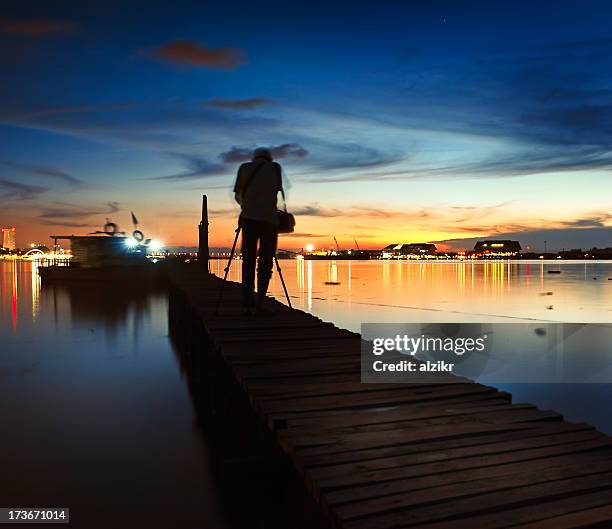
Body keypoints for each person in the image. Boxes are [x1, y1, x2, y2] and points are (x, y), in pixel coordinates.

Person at [233, 147, 283, 315]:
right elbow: (277, 192)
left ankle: (247, 304)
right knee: (265, 262)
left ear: (254, 158)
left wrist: (246, 206)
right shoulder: (275, 168)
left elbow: (237, 195)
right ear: (269, 158)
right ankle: (260, 303)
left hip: (248, 219)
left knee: (248, 261)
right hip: (269, 220)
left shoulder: (244, 168)